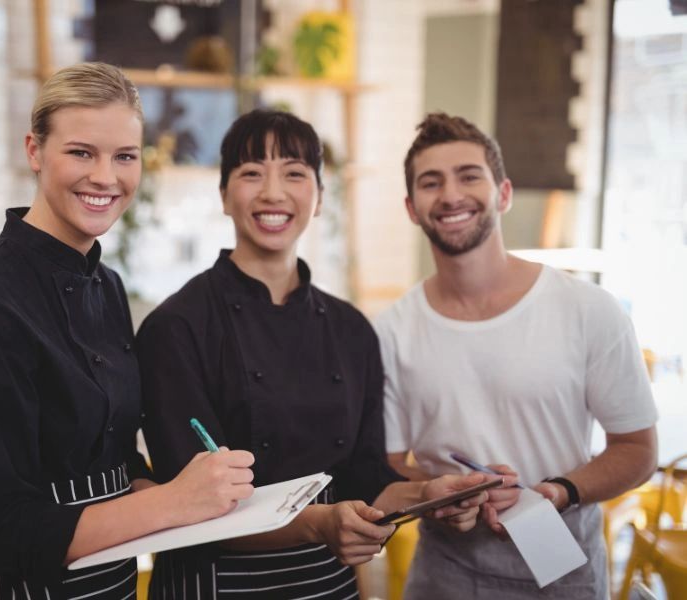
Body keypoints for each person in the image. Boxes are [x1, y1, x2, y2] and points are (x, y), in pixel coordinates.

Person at [0, 62, 255, 600]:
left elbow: (113, 460)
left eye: (124, 156)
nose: (106, 177)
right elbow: (0, 533)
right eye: (81, 152)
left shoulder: (108, 286)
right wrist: (171, 503)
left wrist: (197, 494)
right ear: (34, 151)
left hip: (110, 584)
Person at [136, 109, 491, 599]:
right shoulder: (176, 328)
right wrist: (318, 523)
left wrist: (427, 494)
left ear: (320, 197)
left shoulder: (351, 331)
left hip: (326, 584)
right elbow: (191, 508)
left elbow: (367, 479)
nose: (273, 193)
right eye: (251, 173)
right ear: (223, 196)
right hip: (215, 585)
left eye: (295, 174)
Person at [374, 112, 659, 599]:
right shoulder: (390, 330)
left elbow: (638, 449)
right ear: (411, 207)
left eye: (468, 176)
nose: (450, 195)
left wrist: (557, 492)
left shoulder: (588, 309)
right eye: (431, 182)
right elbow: (390, 462)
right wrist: (439, 492)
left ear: (502, 193)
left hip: (562, 571)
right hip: (442, 573)